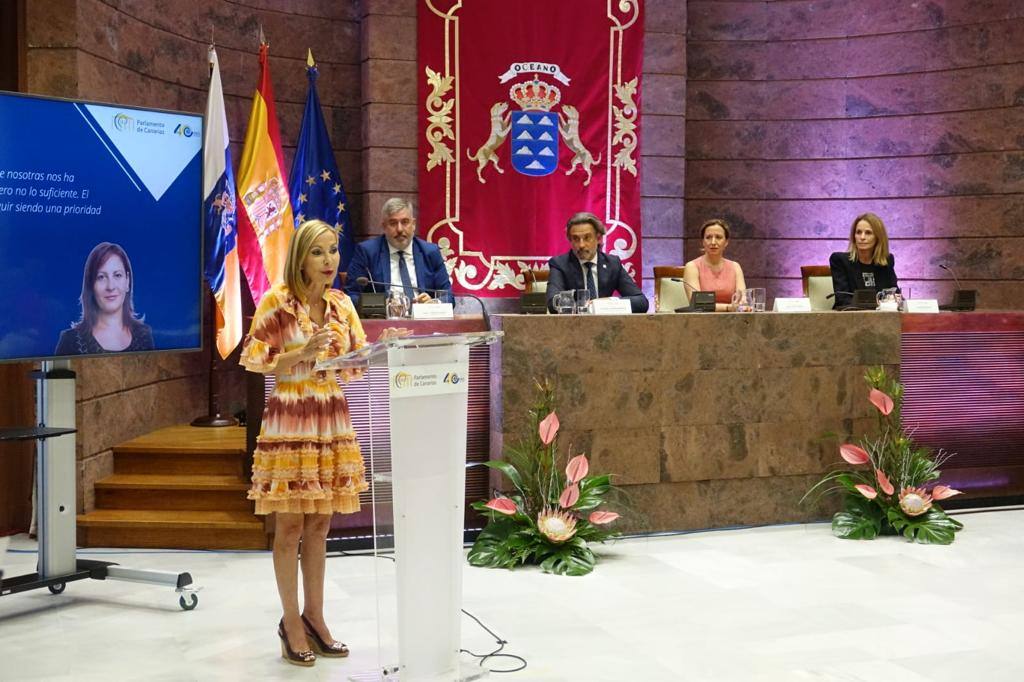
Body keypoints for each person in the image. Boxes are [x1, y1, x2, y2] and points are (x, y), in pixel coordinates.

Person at [240, 219, 406, 667]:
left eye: (333, 251)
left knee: (319, 526)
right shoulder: (277, 302)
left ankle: (316, 616)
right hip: (291, 421)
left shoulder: (342, 304)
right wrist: (301, 353)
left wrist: (380, 347)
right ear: (301, 257)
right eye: (319, 252)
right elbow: (253, 358)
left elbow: (352, 367)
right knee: (290, 526)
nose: (329, 260)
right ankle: (290, 621)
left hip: (330, 420)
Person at [345, 197, 452, 305]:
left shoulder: (430, 252)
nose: (400, 229)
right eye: (393, 223)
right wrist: (382, 304)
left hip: (423, 319)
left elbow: (448, 297)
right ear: (384, 226)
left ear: (413, 224)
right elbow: (350, 295)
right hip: (385, 319)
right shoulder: (367, 252)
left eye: (405, 222)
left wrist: (433, 303)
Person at [55, 242, 154, 355]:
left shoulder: (144, 335)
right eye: (101, 277)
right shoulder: (70, 341)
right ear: (91, 285)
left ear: (127, 281)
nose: (110, 286)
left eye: (117, 275)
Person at [546, 211, 649, 313]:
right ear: (570, 240)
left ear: (598, 238)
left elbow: (641, 302)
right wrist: (590, 306)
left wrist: (608, 302)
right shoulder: (559, 264)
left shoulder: (613, 264)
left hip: (607, 326)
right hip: (573, 326)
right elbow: (553, 303)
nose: (581, 245)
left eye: (587, 238)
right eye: (576, 239)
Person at [829, 212, 898, 309]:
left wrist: (893, 300)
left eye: (868, 233)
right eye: (858, 232)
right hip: (850, 319)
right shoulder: (840, 260)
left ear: (878, 238)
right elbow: (843, 300)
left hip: (881, 319)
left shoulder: (887, 261)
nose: (862, 237)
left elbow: (895, 294)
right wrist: (881, 302)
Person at [682, 218, 747, 312]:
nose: (713, 242)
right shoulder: (692, 267)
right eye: (708, 237)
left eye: (718, 237)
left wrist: (739, 305)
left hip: (733, 321)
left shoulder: (735, 267)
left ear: (726, 242)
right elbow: (697, 304)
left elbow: (741, 300)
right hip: (702, 321)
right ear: (703, 242)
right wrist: (728, 308)